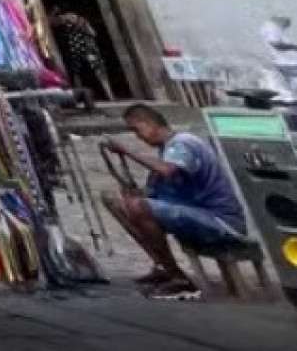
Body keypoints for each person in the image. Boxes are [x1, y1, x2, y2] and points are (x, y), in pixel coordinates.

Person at [98, 103, 249, 301]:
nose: (139, 137)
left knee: (138, 207)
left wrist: (127, 151)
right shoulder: (169, 148)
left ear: (149, 123)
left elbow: (167, 170)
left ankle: (179, 280)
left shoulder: (183, 143)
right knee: (121, 202)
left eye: (137, 130)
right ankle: (164, 266)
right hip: (198, 213)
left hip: (220, 221)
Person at [262, 13, 297, 99]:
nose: (286, 26)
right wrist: (293, 47)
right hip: (286, 64)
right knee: (292, 84)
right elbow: (275, 44)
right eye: (285, 24)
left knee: (291, 85)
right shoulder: (272, 29)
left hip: (286, 63)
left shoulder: (271, 28)